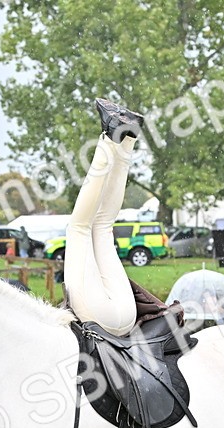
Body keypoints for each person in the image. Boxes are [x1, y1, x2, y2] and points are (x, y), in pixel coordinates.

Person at [63, 98, 161, 335]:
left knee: (102, 226)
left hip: (124, 313)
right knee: (85, 227)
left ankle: (127, 141)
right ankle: (115, 138)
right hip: (108, 314)